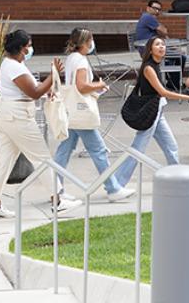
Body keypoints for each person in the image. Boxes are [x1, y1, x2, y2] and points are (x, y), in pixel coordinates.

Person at [0, 30, 74, 218]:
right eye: (28, 46)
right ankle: (56, 200)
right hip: (17, 116)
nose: (30, 49)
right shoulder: (14, 67)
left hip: (9, 115)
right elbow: (34, 92)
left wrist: (46, 89)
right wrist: (53, 75)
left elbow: (31, 88)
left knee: (2, 162)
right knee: (41, 157)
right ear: (20, 48)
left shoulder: (14, 64)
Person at [53, 29, 134, 201]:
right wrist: (98, 85)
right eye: (91, 40)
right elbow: (81, 86)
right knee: (98, 150)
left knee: (64, 151)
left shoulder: (71, 59)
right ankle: (112, 188)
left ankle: (55, 189)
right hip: (82, 114)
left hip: (72, 112)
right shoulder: (81, 61)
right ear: (84, 42)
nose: (92, 43)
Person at [114, 36, 189, 184]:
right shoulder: (149, 68)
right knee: (137, 149)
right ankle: (117, 184)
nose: (161, 47)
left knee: (171, 146)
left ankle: (177, 179)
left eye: (163, 44)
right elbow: (162, 92)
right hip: (149, 112)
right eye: (157, 44)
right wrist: (187, 98)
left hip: (157, 111)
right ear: (150, 49)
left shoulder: (157, 65)